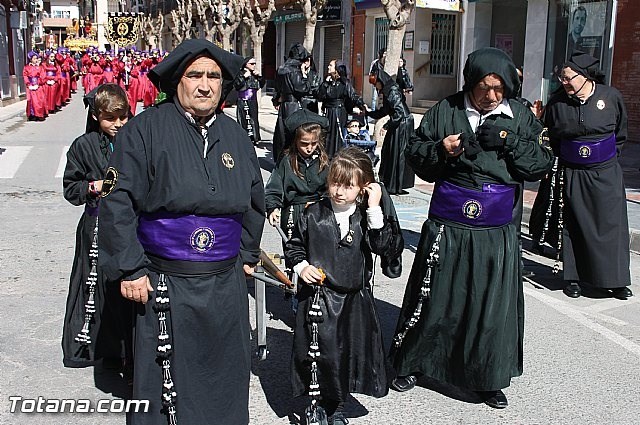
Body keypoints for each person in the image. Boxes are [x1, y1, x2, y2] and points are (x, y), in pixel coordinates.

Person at [98, 39, 265, 425]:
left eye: (214, 76)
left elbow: (255, 201)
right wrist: (130, 268)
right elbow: (117, 201)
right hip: (163, 279)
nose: (205, 85)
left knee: (223, 378)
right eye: (195, 75)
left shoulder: (237, 137)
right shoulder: (141, 131)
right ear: (177, 81)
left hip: (224, 282)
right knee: (165, 383)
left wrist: (246, 255)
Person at [390, 47, 553, 409]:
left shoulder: (521, 115)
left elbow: (542, 162)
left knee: (489, 305)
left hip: (495, 227)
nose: (491, 96)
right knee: (435, 296)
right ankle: (415, 362)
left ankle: (486, 378)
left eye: (499, 89)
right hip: (449, 221)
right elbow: (415, 153)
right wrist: (441, 150)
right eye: (484, 87)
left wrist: (510, 142)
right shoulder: (446, 110)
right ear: (470, 82)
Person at [286, 147, 403, 425]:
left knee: (344, 354)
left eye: (348, 186)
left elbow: (383, 246)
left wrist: (375, 207)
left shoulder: (366, 216)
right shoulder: (313, 213)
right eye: (335, 183)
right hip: (320, 298)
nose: (339, 191)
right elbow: (294, 247)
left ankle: (336, 405)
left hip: (354, 300)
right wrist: (302, 267)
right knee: (320, 354)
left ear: (363, 187)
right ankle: (316, 404)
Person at [543, 51, 632, 300]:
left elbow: (621, 134)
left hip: (605, 172)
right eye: (562, 77)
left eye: (569, 77)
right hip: (574, 172)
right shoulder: (557, 103)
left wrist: (603, 159)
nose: (564, 82)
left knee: (611, 226)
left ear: (584, 77)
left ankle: (615, 281)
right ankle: (574, 278)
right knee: (575, 225)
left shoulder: (610, 97)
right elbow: (553, 137)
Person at [62, 84, 133, 372]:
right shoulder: (83, 145)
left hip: (129, 224)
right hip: (96, 224)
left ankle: (130, 352)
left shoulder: (134, 139)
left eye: (123, 117)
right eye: (110, 119)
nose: (118, 125)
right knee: (98, 286)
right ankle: (99, 346)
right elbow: (71, 188)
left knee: (126, 285)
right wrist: (94, 186)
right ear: (96, 117)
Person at [265, 109, 330, 242]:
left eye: (314, 143)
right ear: (295, 141)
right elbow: (274, 187)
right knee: (294, 249)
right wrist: (273, 208)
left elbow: (332, 187)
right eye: (304, 144)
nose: (309, 148)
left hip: (318, 209)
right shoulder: (286, 160)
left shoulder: (324, 161)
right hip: (293, 210)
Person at [366, 68, 414, 195]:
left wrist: (386, 126)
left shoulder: (392, 90)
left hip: (402, 124)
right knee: (389, 151)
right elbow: (384, 111)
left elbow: (398, 112)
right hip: (398, 122)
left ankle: (396, 185)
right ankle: (390, 183)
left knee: (398, 153)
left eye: (375, 83)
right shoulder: (388, 90)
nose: (375, 86)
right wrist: (367, 113)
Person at [317, 59, 365, 158]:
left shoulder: (344, 83)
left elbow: (353, 96)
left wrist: (362, 106)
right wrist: (325, 84)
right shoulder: (328, 82)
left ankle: (338, 156)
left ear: (336, 69)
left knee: (338, 136)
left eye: (331, 65)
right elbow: (320, 95)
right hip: (329, 112)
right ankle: (327, 156)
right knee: (328, 135)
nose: (328, 67)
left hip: (339, 112)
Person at [272, 43, 312, 161]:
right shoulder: (295, 70)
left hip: (284, 105)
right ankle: (292, 160)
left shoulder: (281, 69)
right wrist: (305, 76)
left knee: (282, 133)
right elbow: (302, 88)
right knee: (294, 133)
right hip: (294, 105)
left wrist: (276, 100)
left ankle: (282, 159)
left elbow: (277, 87)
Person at [234, 57, 265, 145]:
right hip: (243, 99)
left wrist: (260, 77)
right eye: (251, 64)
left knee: (254, 119)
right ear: (246, 64)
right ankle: (243, 137)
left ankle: (255, 138)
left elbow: (261, 85)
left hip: (253, 100)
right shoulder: (240, 73)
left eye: (254, 63)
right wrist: (243, 77)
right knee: (243, 119)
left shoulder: (255, 74)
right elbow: (236, 85)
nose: (254, 65)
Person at [23, 51, 47, 121]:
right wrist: (28, 84)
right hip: (30, 86)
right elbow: (25, 76)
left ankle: (39, 115)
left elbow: (42, 76)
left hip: (38, 86)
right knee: (30, 101)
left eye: (36, 58)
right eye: (34, 59)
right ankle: (32, 115)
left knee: (39, 101)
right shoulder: (26, 67)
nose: (36, 60)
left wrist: (38, 83)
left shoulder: (40, 67)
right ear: (31, 59)